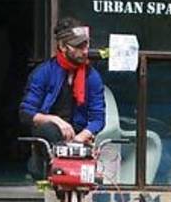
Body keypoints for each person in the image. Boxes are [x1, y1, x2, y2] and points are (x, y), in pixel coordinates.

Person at [19, 16, 106, 178]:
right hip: (50, 141)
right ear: (62, 47)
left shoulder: (92, 77)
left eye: (86, 45)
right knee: (48, 129)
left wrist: (80, 139)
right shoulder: (43, 73)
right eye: (78, 46)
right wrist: (56, 120)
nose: (85, 51)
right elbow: (26, 113)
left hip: (79, 139)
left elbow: (98, 118)